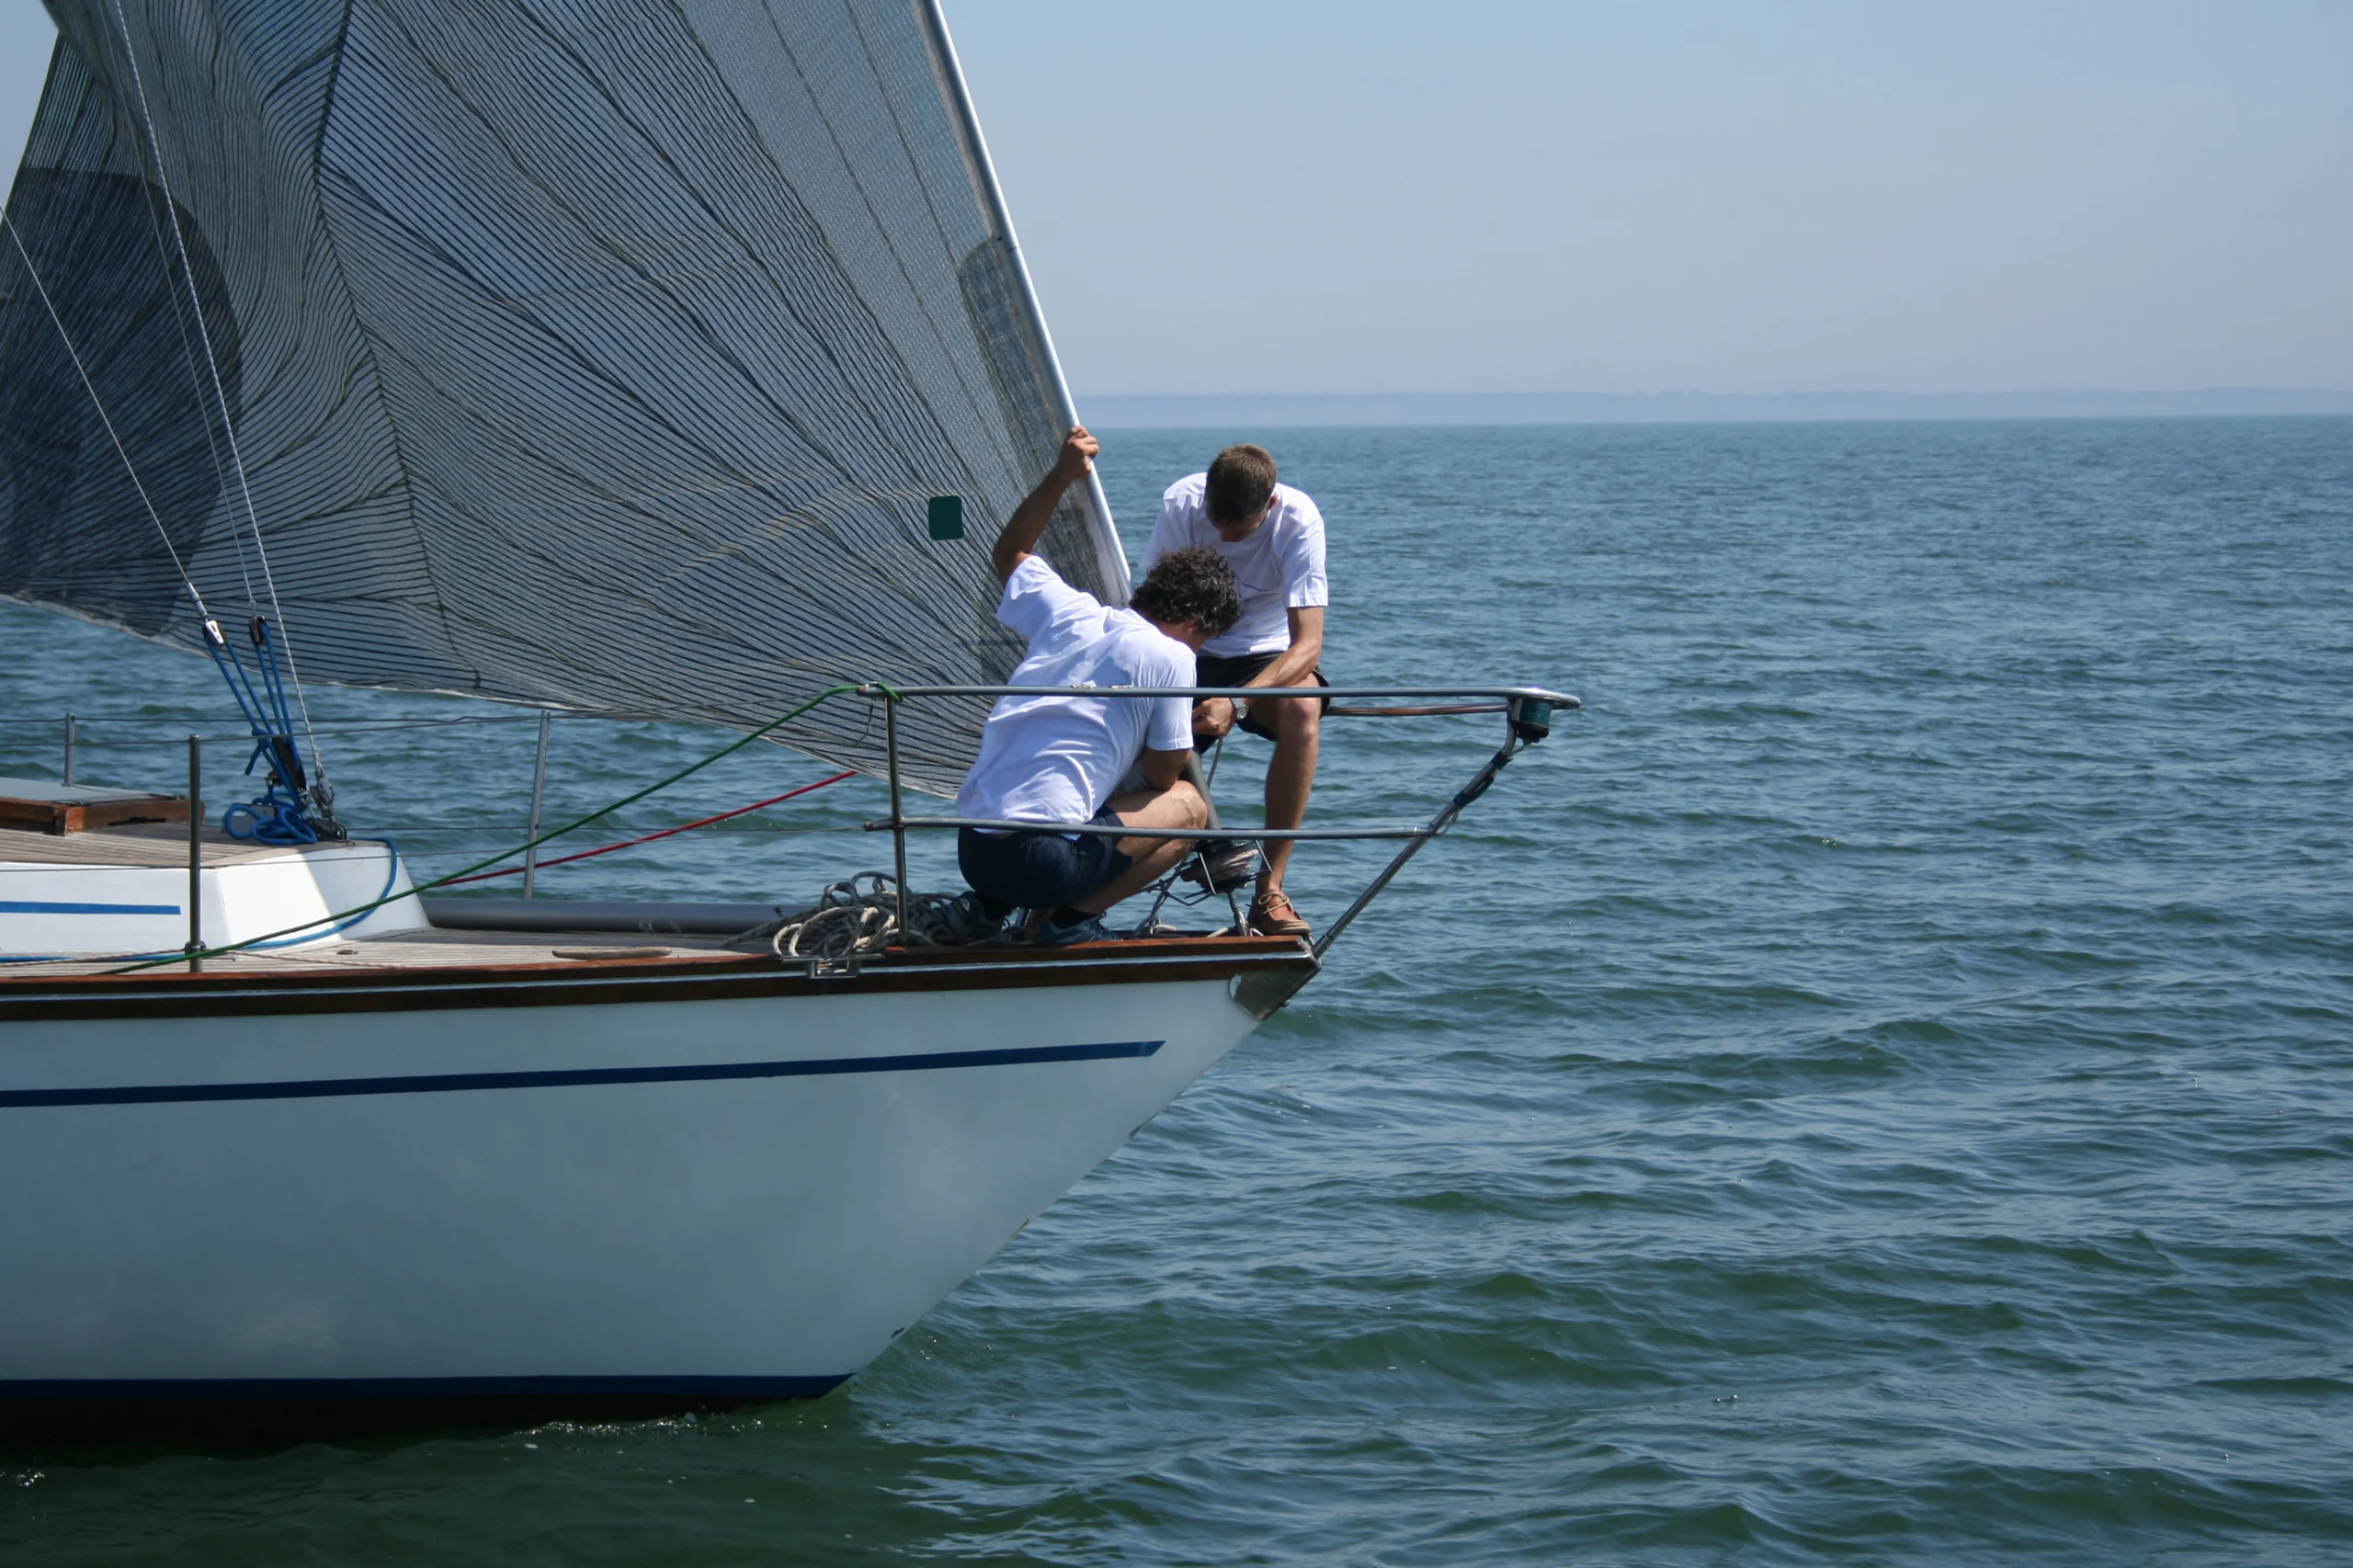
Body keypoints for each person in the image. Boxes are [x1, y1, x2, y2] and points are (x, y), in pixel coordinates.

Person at [956, 426, 1245, 947]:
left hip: (973, 852)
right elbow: (1161, 778)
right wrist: (1192, 726)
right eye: (1205, 641)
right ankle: (1069, 924)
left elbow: (1009, 552)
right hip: (1040, 865)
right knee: (1189, 809)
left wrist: (1063, 475)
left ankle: (990, 911)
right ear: (1197, 624)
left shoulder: (1069, 610)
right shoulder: (1173, 656)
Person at [1140, 443, 1327, 938]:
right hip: (1188, 642)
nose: (1223, 536)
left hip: (1265, 653)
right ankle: (1062, 901)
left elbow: (1307, 646)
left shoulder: (1299, 520)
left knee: (1303, 711)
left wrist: (1239, 702)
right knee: (1133, 741)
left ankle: (1271, 890)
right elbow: (1155, 610)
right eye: (1216, 521)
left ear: (1268, 506)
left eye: (1236, 529)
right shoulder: (1181, 502)